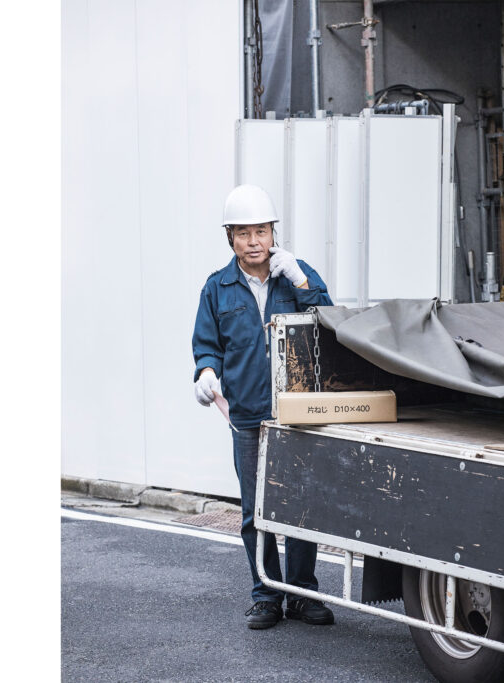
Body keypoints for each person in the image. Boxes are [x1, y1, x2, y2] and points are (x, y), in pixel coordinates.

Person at [191, 184, 335, 630]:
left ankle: (303, 593)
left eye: (262, 231)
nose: (254, 241)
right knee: (257, 511)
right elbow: (207, 345)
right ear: (229, 238)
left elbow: (331, 322)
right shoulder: (218, 288)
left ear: (274, 233)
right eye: (244, 233)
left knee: (300, 507)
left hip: (297, 414)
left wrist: (303, 282)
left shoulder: (297, 274)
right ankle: (266, 595)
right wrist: (205, 373)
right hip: (249, 416)